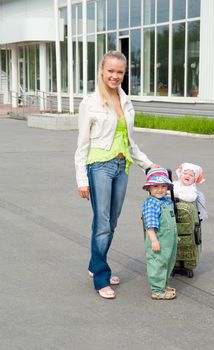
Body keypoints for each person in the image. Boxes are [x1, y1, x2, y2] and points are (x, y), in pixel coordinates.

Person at [74, 51, 157, 299]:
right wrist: (81, 179)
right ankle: (101, 277)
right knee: (102, 224)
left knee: (111, 223)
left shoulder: (125, 101)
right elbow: (82, 145)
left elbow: (130, 142)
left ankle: (94, 265)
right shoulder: (90, 103)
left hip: (122, 167)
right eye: (110, 71)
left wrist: (150, 166)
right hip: (99, 166)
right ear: (102, 70)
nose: (115, 76)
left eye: (120, 72)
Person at [142, 168, 177, 300]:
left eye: (163, 186)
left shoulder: (167, 201)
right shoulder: (151, 203)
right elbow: (150, 225)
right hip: (158, 239)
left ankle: (163, 285)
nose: (160, 189)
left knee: (168, 261)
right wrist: (154, 241)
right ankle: (157, 290)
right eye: (155, 186)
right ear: (149, 188)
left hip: (169, 239)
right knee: (158, 263)